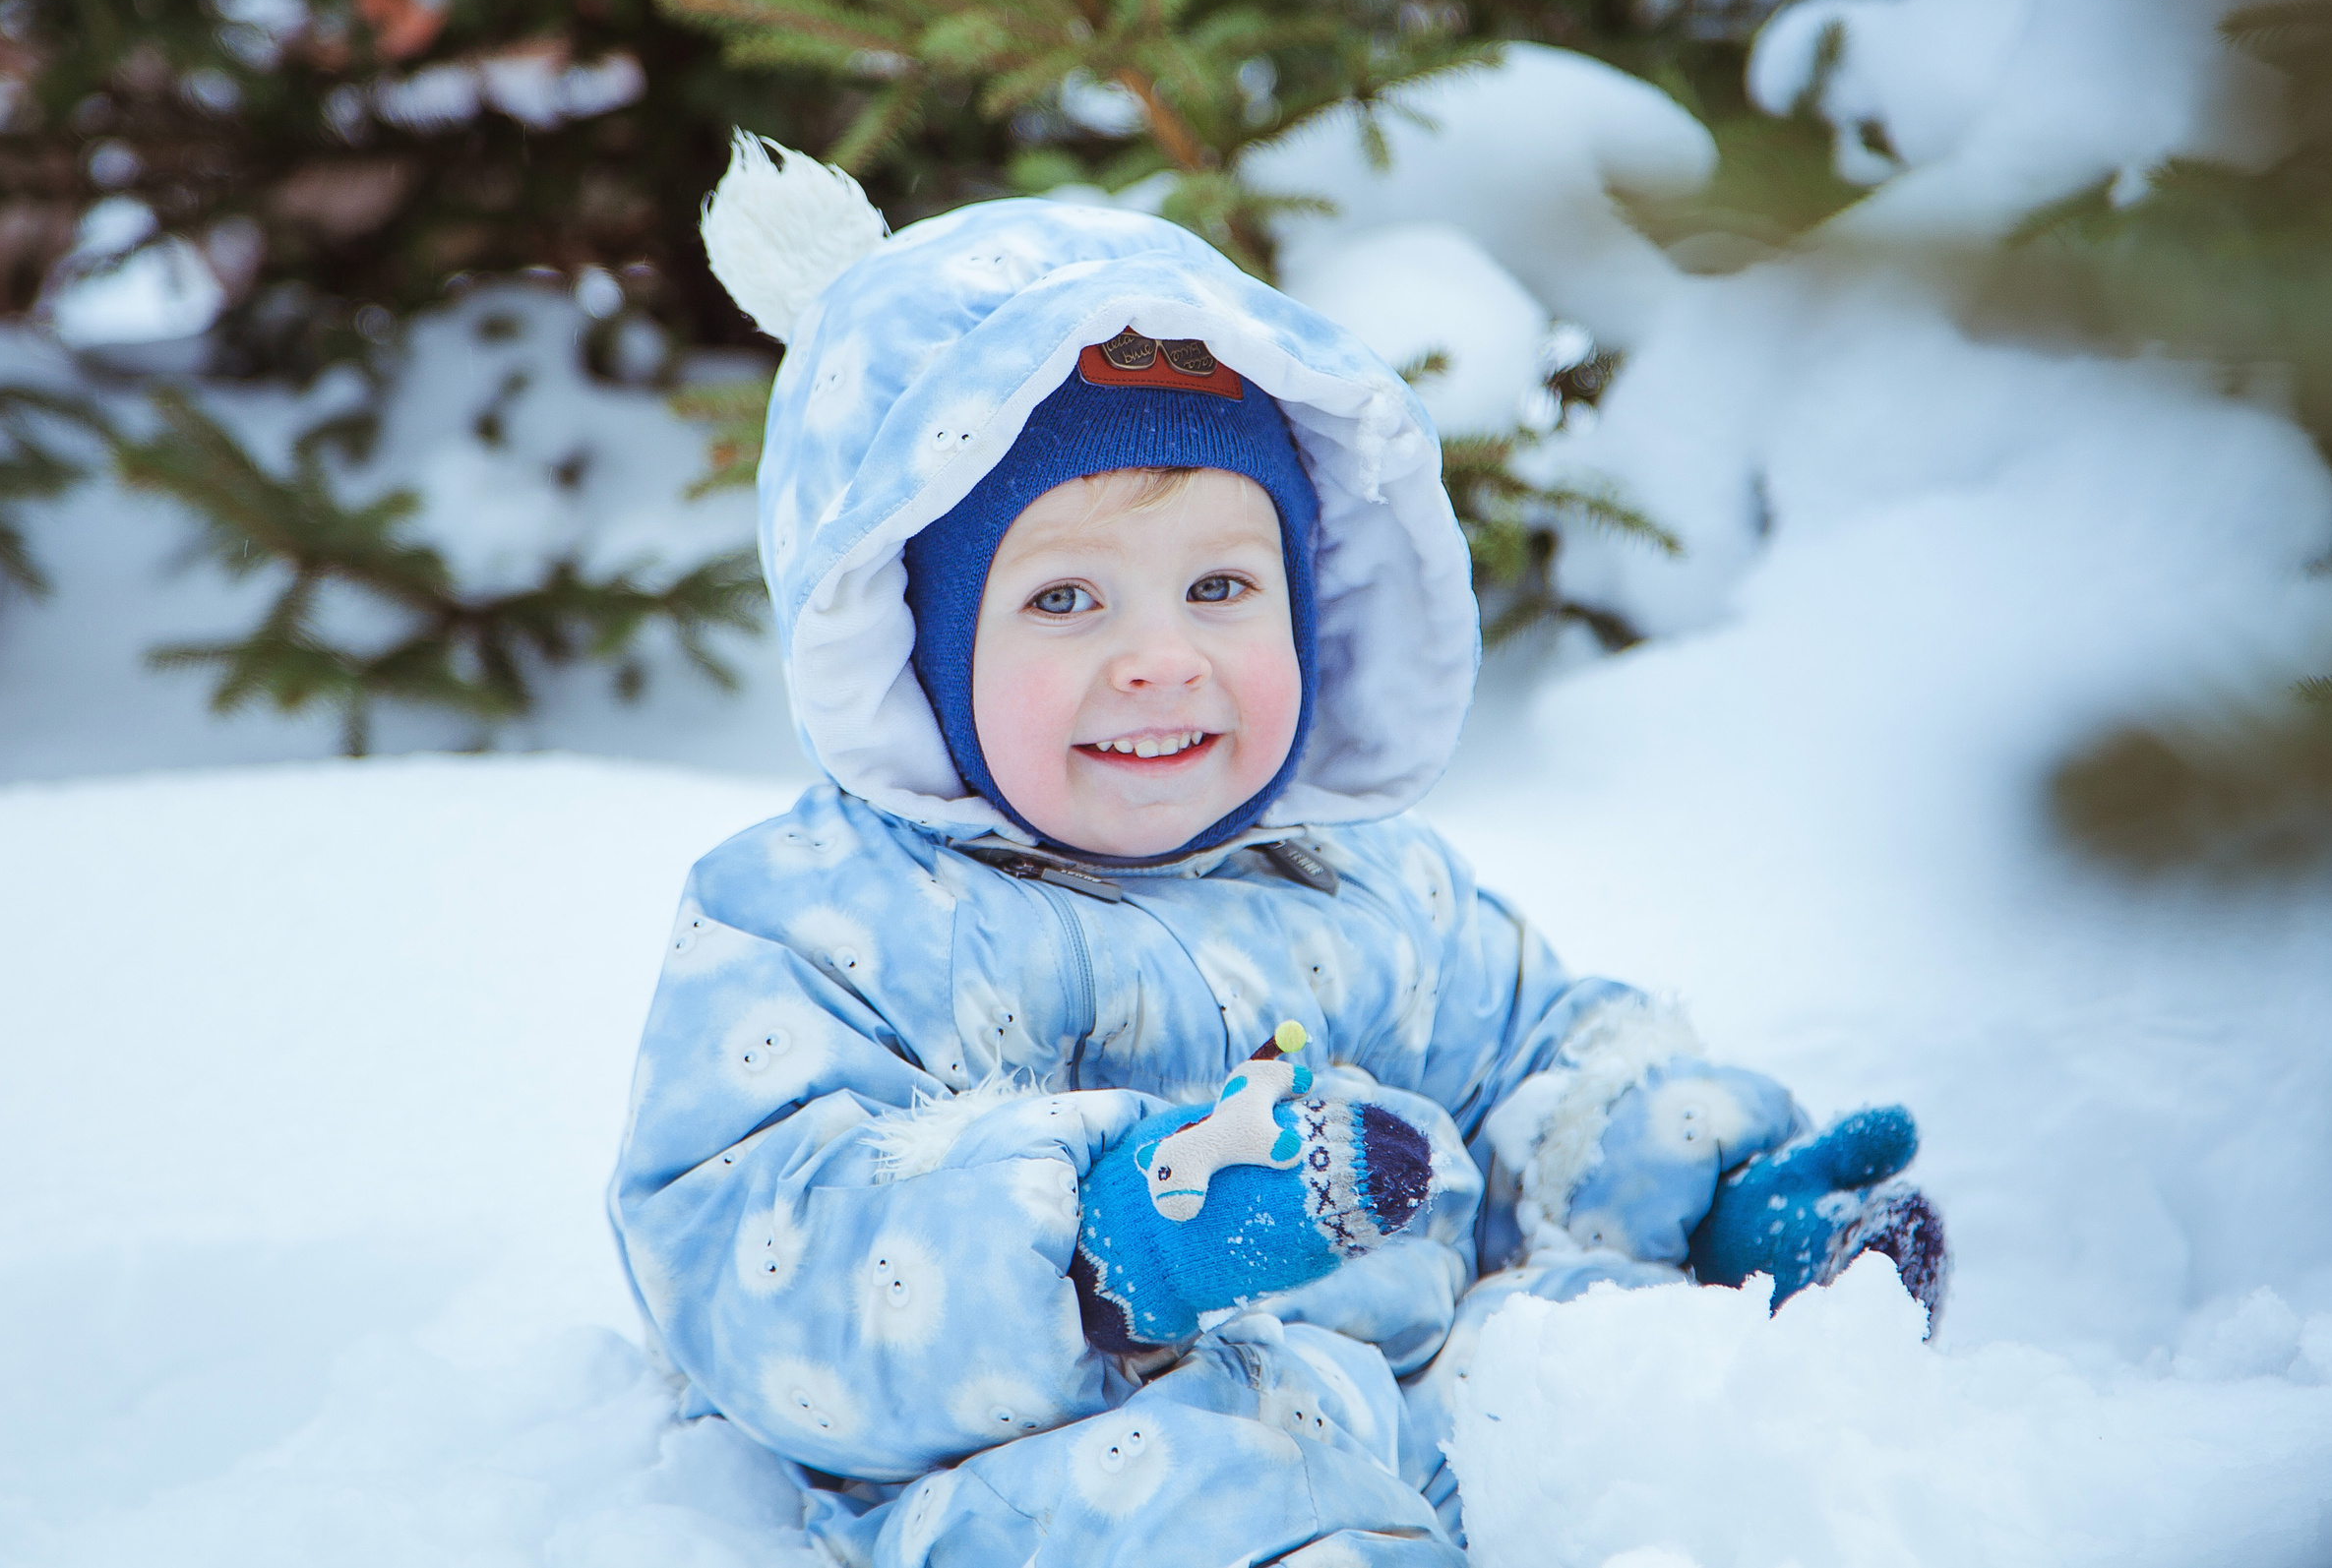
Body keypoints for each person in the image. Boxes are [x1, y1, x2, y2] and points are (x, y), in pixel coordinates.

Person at [606, 135, 1945, 1566]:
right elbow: (753, 1254)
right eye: (1066, 597)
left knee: (1600, 1362)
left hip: (1399, 1408)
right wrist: (1121, 1241)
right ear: (919, 647)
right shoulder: (828, 918)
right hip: (1073, 1457)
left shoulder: (1367, 879)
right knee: (1190, 1493)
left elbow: (1534, 1061)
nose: (1160, 658)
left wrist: (1700, 1188)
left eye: (1222, 586)